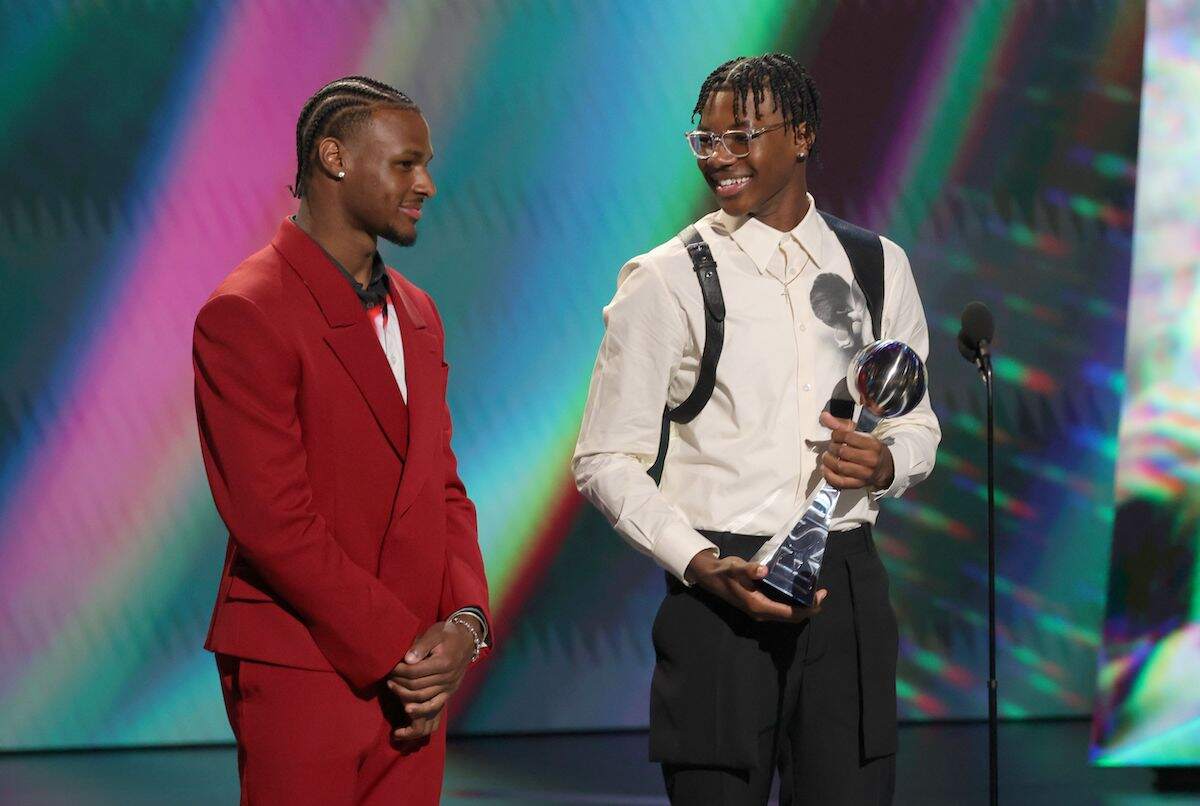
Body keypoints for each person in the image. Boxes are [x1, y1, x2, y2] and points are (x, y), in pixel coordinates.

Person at [573, 54, 941, 805]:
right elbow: (604, 458)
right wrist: (699, 563)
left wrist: (884, 465)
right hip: (720, 592)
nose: (721, 158)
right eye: (705, 141)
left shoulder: (876, 266)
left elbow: (917, 424)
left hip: (845, 584)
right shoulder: (667, 278)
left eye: (742, 136)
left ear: (802, 134)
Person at [193, 76, 490, 805]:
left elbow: (442, 487)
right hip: (306, 661)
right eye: (405, 163)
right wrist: (403, 648)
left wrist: (465, 623)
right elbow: (272, 520)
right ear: (333, 157)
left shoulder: (418, 313)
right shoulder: (247, 310)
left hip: (416, 678)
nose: (426, 183)